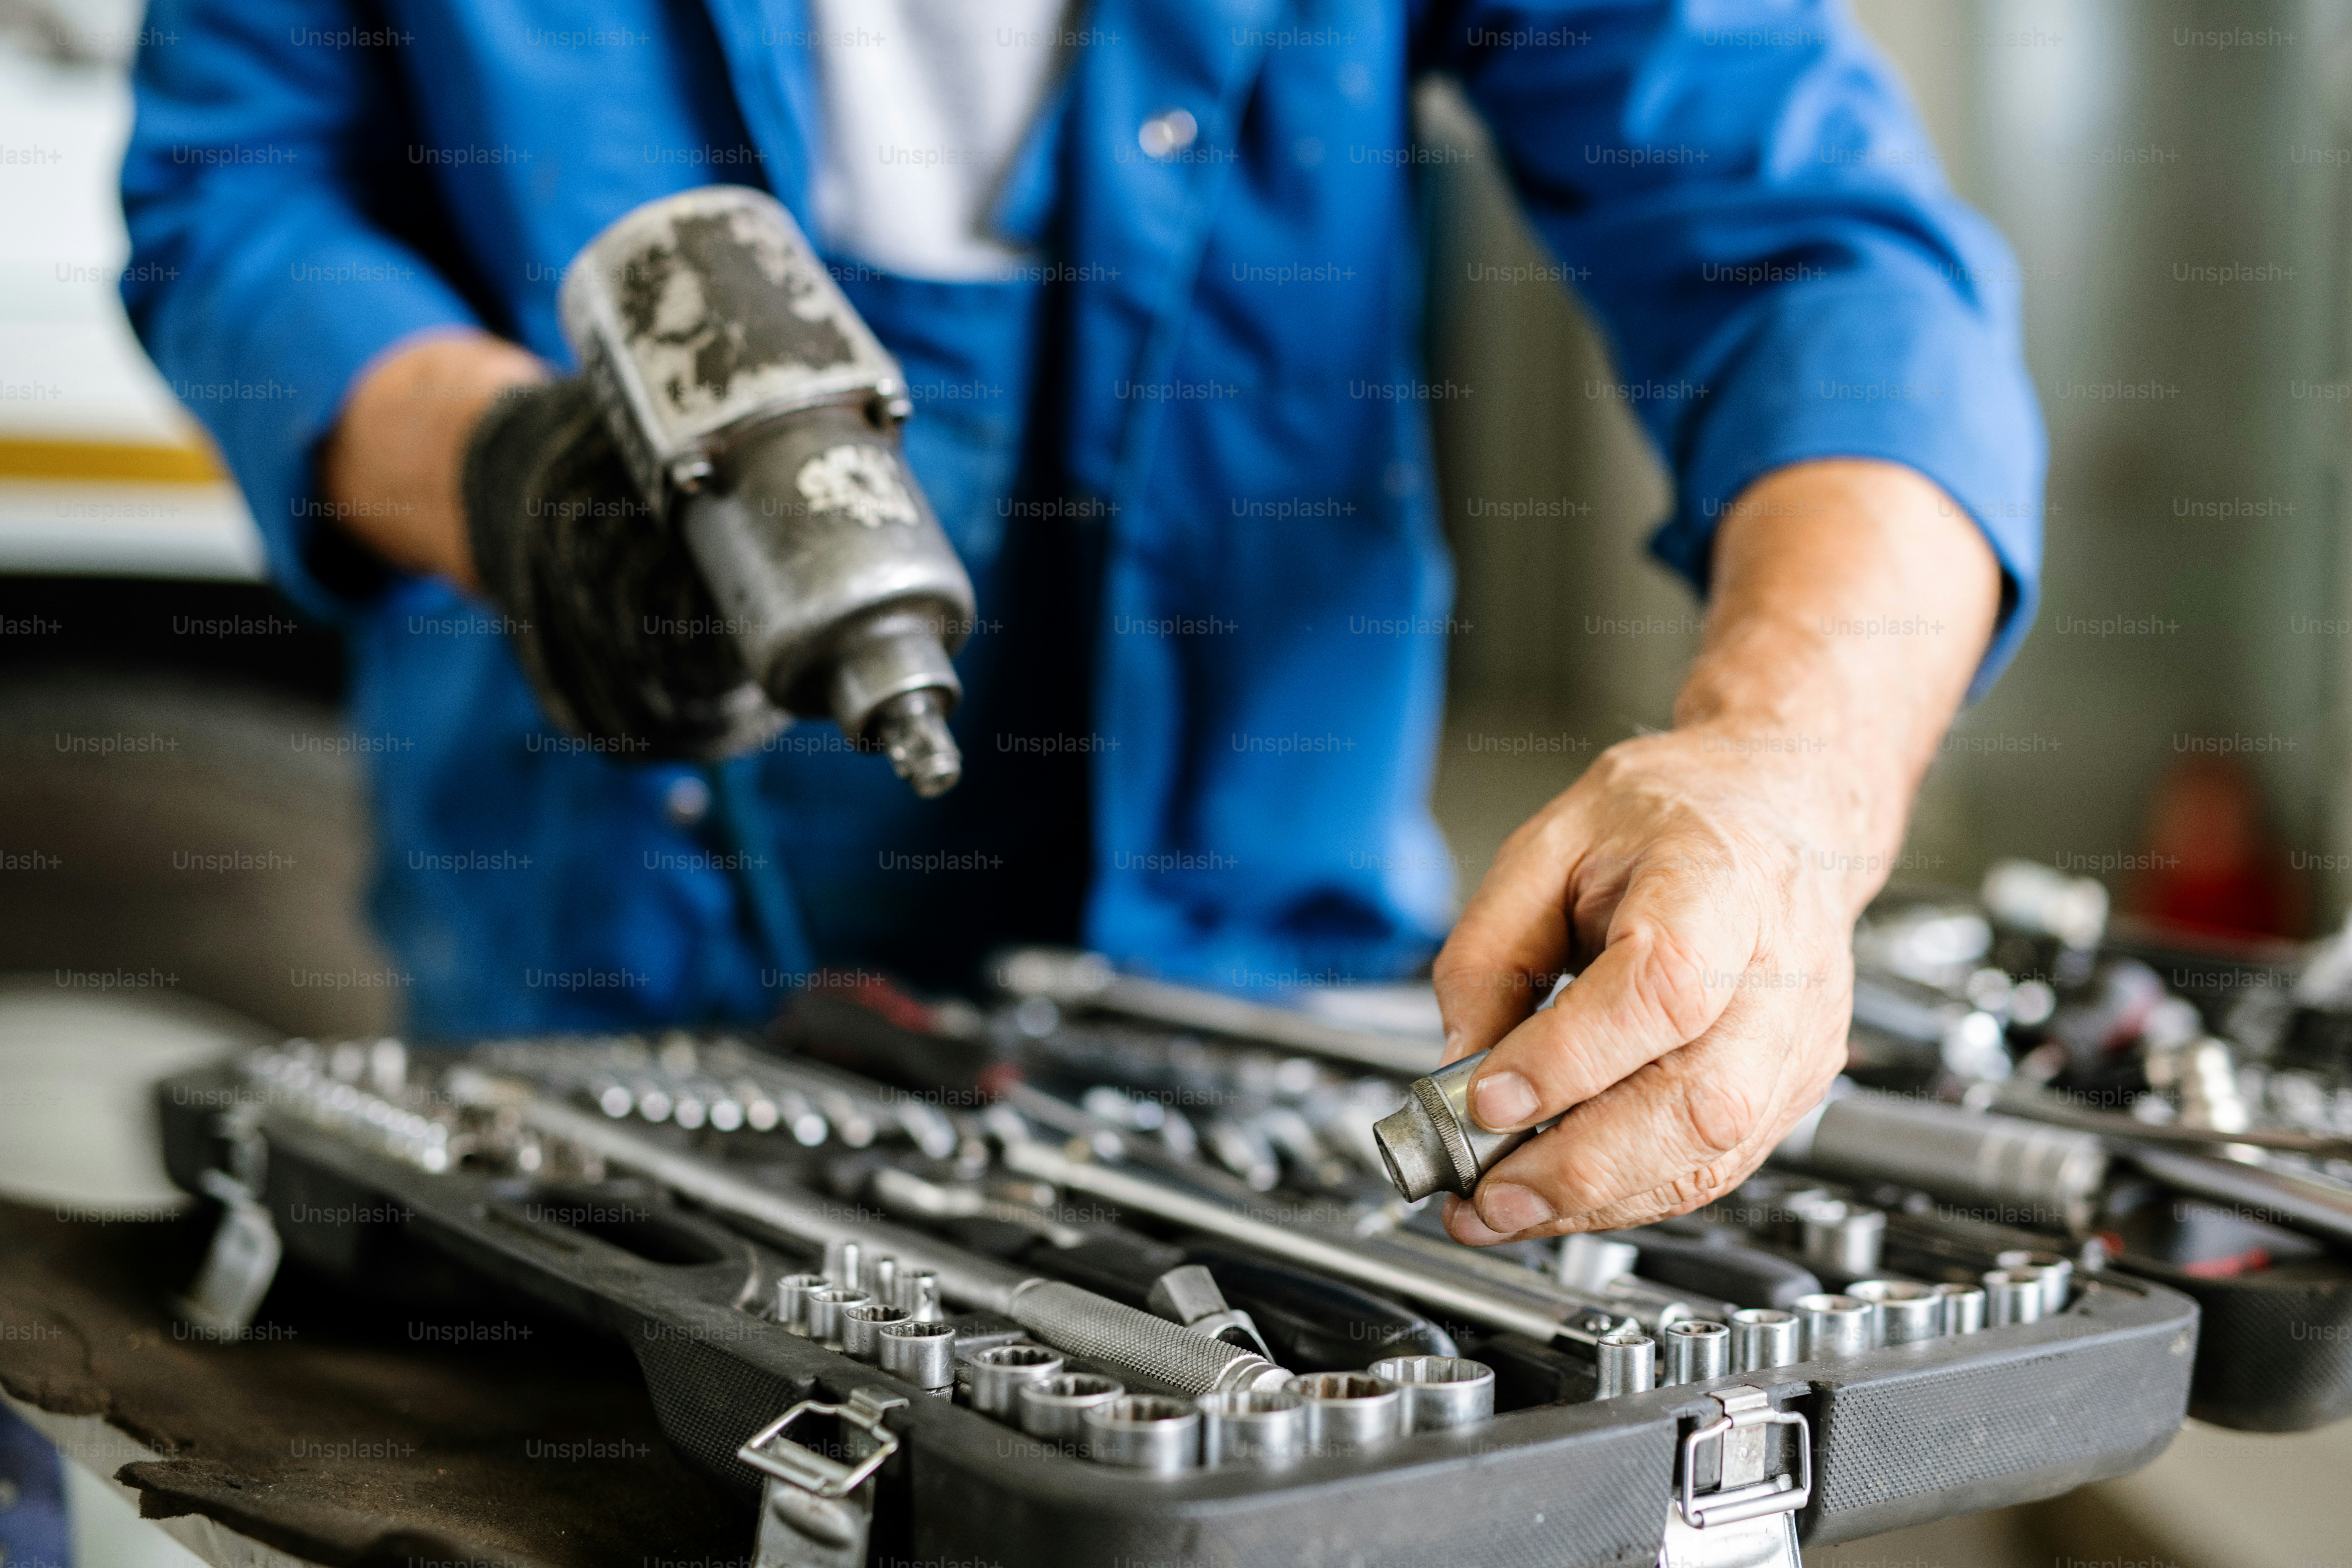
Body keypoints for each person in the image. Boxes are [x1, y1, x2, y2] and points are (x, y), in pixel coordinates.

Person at [121, 1, 2042, 1248]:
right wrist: (490, 466)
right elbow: (237, 189)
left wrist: (1790, 767)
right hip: (587, 959)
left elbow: (1818, 251)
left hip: (1253, 984)